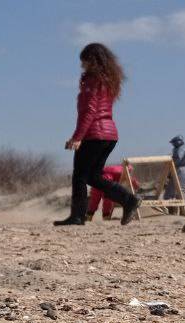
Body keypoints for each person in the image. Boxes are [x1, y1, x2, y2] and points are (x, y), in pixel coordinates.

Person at [54, 43, 140, 227]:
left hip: (95, 135)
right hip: (109, 135)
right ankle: (128, 200)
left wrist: (77, 137)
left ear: (92, 60)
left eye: (84, 61)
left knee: (80, 176)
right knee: (93, 177)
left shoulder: (93, 80)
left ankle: (77, 217)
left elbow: (90, 112)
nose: (81, 65)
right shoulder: (108, 80)